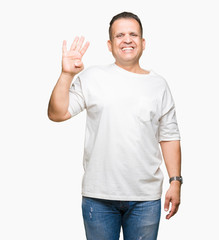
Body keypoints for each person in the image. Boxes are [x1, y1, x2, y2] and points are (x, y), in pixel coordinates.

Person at [48, 11, 182, 240]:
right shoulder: (92, 78)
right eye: (120, 35)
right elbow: (57, 113)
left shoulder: (159, 85)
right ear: (110, 45)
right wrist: (66, 74)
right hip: (98, 197)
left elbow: (169, 136)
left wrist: (175, 181)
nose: (127, 39)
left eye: (133, 34)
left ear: (143, 42)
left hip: (145, 198)